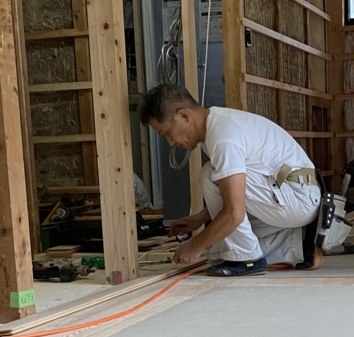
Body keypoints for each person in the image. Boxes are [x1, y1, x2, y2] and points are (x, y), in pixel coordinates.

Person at [138, 85, 322, 277]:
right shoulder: (217, 126)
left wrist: (194, 246)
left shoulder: (223, 137)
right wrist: (199, 219)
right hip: (290, 197)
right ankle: (300, 245)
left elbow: (234, 213)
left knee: (210, 175)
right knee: (220, 252)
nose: (170, 142)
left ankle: (249, 259)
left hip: (299, 198)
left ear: (184, 116)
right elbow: (234, 193)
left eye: (166, 132)